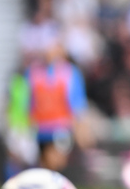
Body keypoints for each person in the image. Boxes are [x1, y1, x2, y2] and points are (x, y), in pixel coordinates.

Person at [27, 36, 94, 171]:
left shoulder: (70, 72)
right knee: (44, 164)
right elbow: (27, 102)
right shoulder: (32, 72)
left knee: (56, 162)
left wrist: (81, 126)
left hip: (61, 127)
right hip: (39, 128)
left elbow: (77, 103)